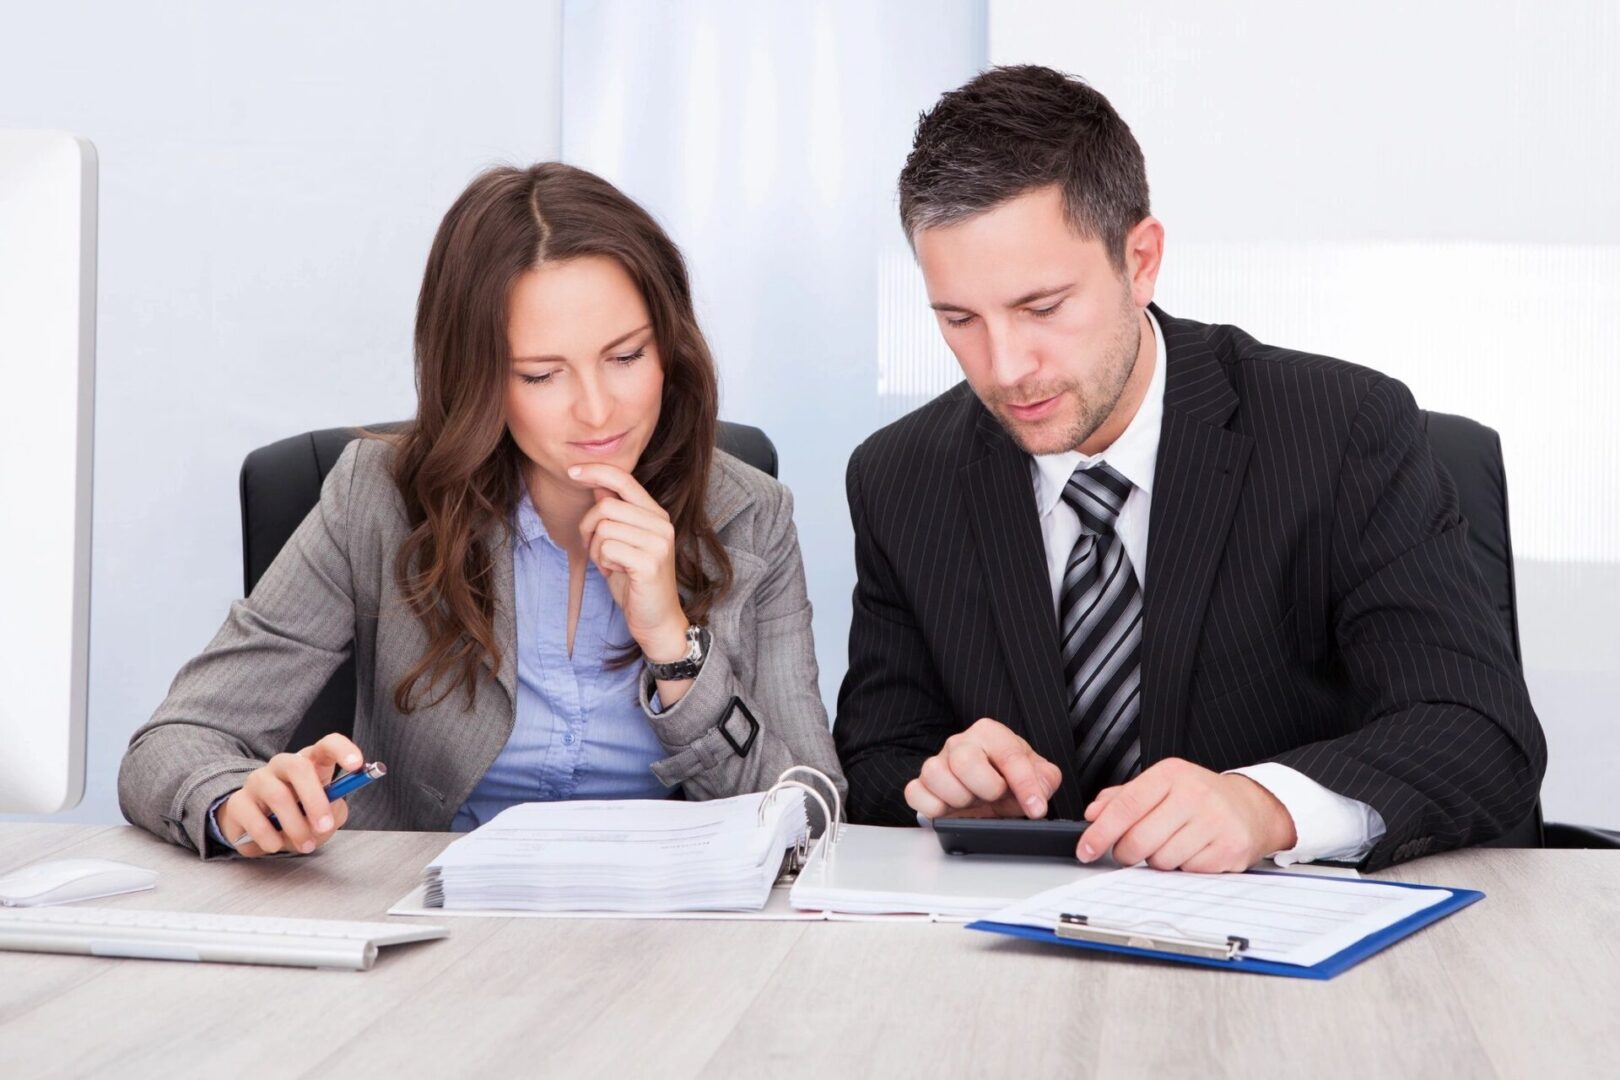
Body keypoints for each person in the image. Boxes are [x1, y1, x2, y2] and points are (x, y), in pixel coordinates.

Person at [834, 66, 1545, 872]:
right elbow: (879, 761)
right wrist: (949, 789)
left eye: (1042, 308)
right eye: (959, 319)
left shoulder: (1342, 430)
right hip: (1022, 954)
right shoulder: (898, 478)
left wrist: (1268, 805)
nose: (1004, 368)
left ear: (1141, 261)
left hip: (1289, 954)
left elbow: (1482, 731)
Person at [120, 163, 844, 858]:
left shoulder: (752, 515)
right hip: (435, 938)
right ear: (478, 379)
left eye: (625, 357)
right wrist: (237, 800)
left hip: (672, 944)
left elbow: (811, 810)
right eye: (540, 374)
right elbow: (173, 742)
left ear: (670, 348)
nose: (597, 408)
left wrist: (674, 647)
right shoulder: (376, 497)